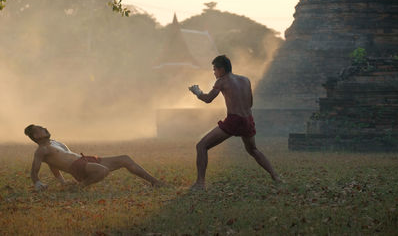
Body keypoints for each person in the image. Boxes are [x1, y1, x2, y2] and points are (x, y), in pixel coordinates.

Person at [188, 55, 281, 189]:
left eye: (215, 69)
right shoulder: (245, 80)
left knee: (201, 146)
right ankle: (276, 177)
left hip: (234, 120)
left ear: (221, 69)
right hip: (248, 119)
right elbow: (250, 103)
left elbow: (208, 99)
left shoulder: (222, 81)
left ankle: (200, 183)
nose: (214, 72)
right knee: (253, 150)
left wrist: (197, 92)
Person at [24, 124, 163, 191]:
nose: (45, 128)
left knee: (125, 159)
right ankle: (79, 187)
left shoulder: (55, 142)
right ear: (36, 136)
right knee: (103, 171)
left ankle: (155, 182)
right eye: (40, 129)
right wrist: (37, 183)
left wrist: (62, 181)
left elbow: (54, 165)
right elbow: (34, 171)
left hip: (85, 160)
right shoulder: (41, 150)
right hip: (77, 167)